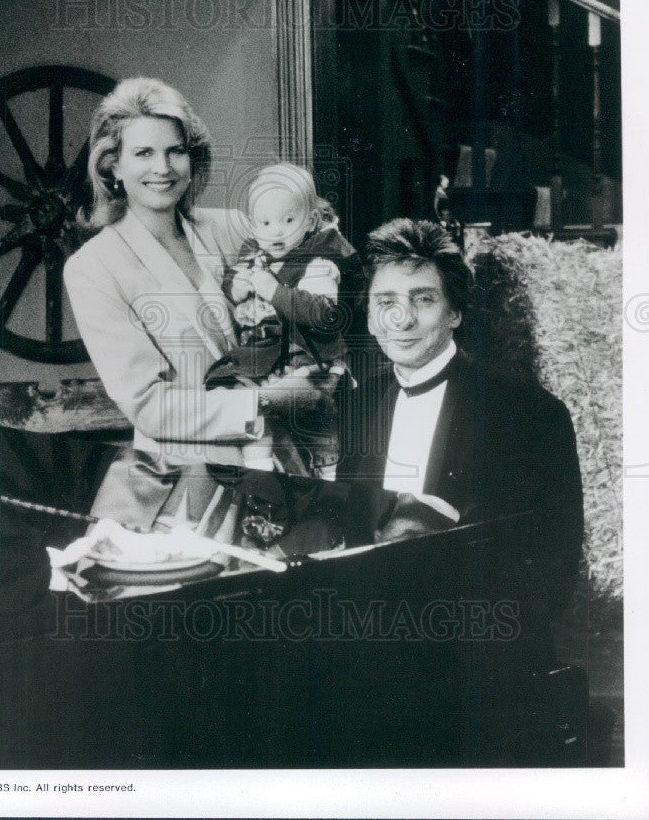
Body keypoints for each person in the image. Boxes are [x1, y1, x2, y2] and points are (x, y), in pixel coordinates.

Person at [63, 77, 328, 528]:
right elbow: (149, 405)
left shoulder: (236, 227)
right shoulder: (93, 268)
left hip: (280, 462)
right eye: (143, 153)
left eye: (176, 150)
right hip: (182, 483)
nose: (162, 168)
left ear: (193, 158)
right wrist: (265, 402)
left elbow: (312, 305)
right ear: (112, 166)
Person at [337, 217, 583, 617]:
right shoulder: (359, 401)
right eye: (385, 302)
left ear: (455, 314)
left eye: (423, 299)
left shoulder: (527, 411)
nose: (402, 320)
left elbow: (552, 574)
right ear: (368, 315)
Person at [206, 163, 361, 478]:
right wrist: (235, 289)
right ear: (253, 225)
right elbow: (235, 283)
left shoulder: (318, 261)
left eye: (288, 220)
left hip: (312, 362)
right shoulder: (255, 258)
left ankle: (327, 476)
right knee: (252, 413)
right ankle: (260, 473)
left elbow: (323, 314)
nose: (275, 231)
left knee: (305, 422)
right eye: (264, 222)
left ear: (310, 221)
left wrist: (274, 291)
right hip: (265, 363)